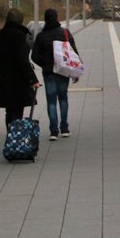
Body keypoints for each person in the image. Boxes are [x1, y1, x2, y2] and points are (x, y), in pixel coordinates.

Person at [0, 8, 41, 130]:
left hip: (5, 80)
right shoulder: (20, 36)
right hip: (19, 80)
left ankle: (11, 136)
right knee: (17, 111)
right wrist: (33, 80)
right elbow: (22, 60)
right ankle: (15, 139)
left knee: (9, 111)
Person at [31, 8, 78, 140]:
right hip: (63, 71)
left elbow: (34, 56)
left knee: (51, 101)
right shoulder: (65, 33)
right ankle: (64, 128)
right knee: (63, 98)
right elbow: (73, 52)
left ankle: (53, 131)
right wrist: (75, 72)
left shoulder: (41, 36)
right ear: (57, 18)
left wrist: (45, 65)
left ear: (45, 19)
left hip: (49, 73)